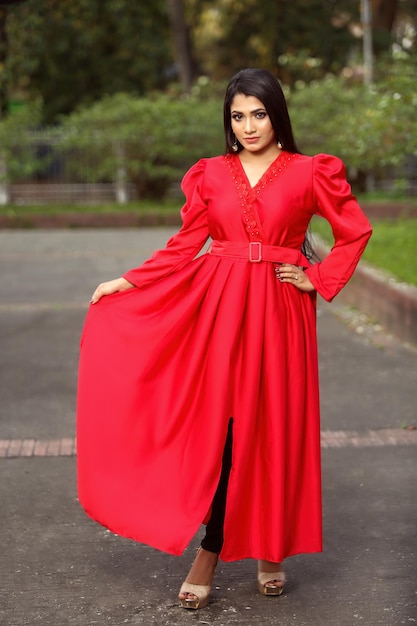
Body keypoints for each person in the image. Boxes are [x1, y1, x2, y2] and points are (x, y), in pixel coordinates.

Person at [77, 68, 372, 610]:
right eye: (238, 116)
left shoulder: (312, 171)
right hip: (220, 308)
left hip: (282, 310)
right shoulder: (210, 173)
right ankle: (209, 550)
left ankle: (270, 547)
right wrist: (130, 280)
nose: (248, 125)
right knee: (226, 431)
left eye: (258, 113)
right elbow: (186, 241)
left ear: (276, 115)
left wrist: (319, 276)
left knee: (275, 425)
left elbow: (355, 231)